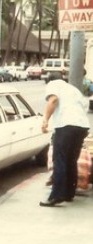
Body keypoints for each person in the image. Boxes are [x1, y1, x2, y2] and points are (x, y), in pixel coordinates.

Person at [39, 72, 90, 207]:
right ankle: (68, 192)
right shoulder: (73, 89)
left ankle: (56, 195)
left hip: (66, 125)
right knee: (71, 160)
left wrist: (45, 120)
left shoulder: (53, 84)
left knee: (60, 159)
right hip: (82, 126)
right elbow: (84, 107)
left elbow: (53, 100)